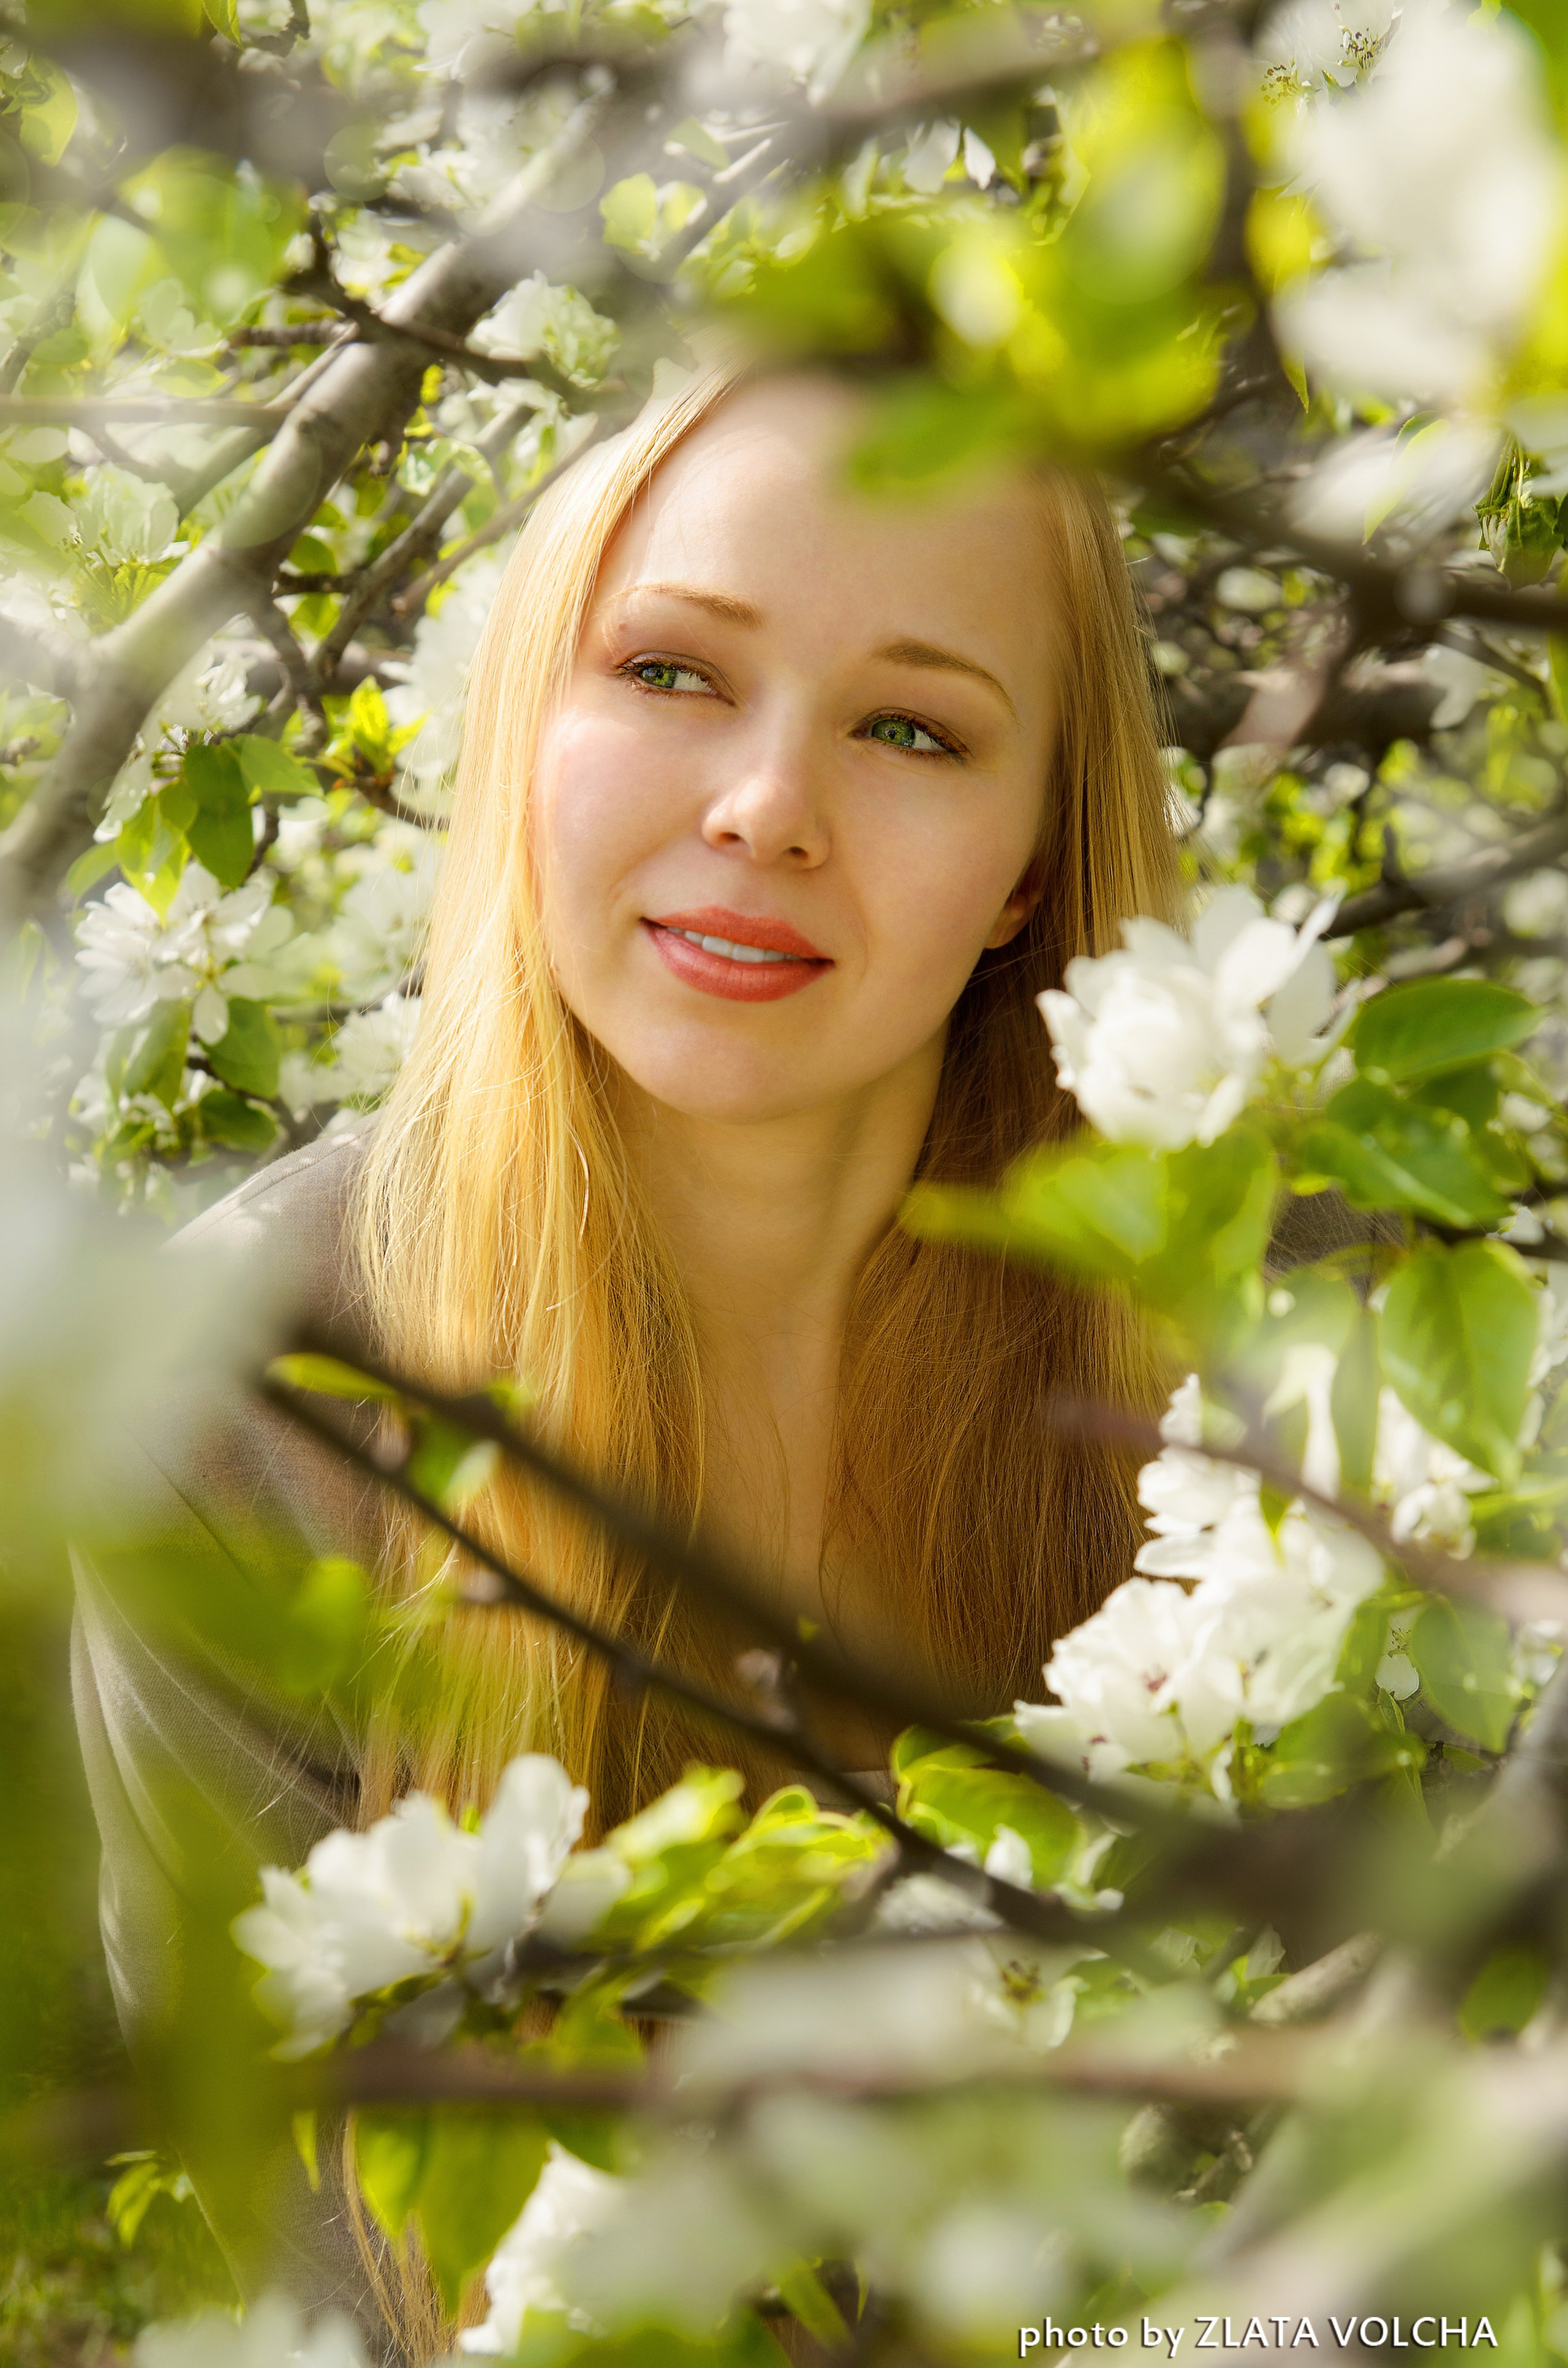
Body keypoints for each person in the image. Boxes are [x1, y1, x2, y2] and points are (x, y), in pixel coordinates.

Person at [71, 363, 1177, 2351]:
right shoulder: (249, 1407)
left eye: (914, 727)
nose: (766, 805)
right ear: (525, 728)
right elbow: (325, 2259)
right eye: (671, 671)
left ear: (1025, 868)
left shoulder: (1249, 1347)